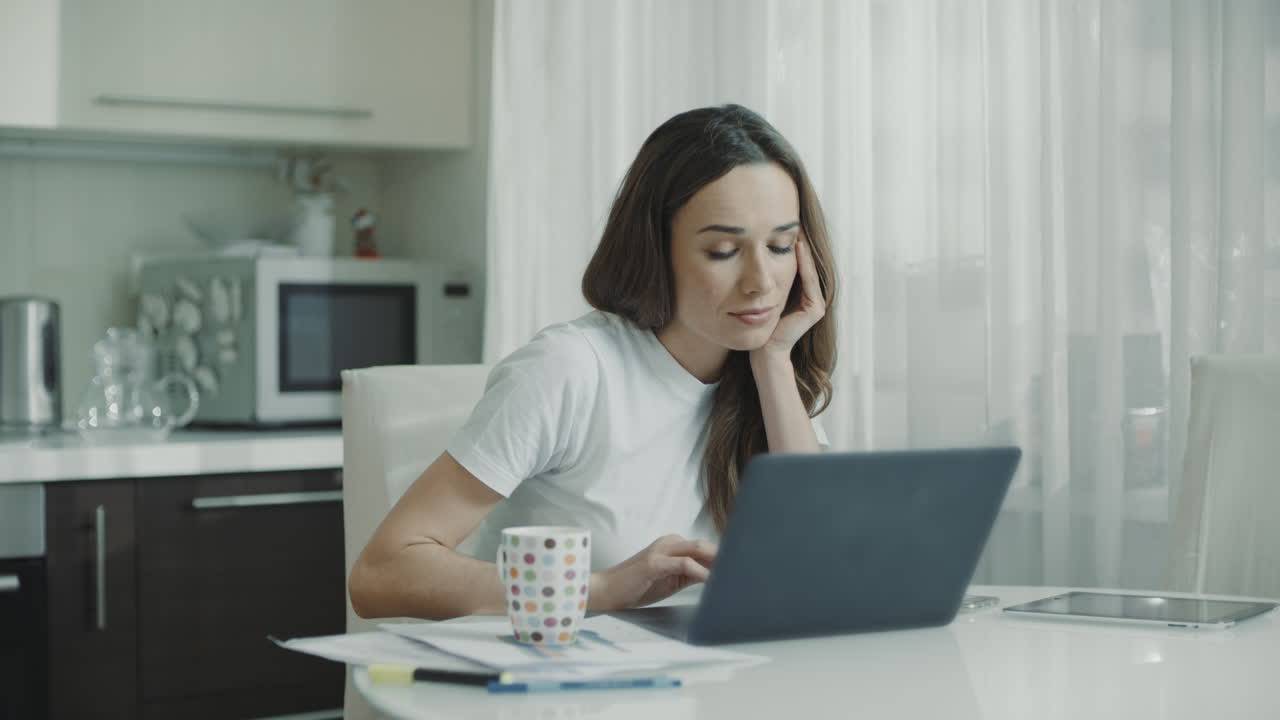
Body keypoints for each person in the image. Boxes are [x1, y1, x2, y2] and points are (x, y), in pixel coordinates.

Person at [349, 104, 837, 621]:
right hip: (555, 667)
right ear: (655, 250)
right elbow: (381, 573)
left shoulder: (765, 380)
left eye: (780, 245)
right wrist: (602, 588)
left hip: (702, 667)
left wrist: (774, 359)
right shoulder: (570, 369)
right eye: (722, 250)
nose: (761, 281)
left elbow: (817, 564)